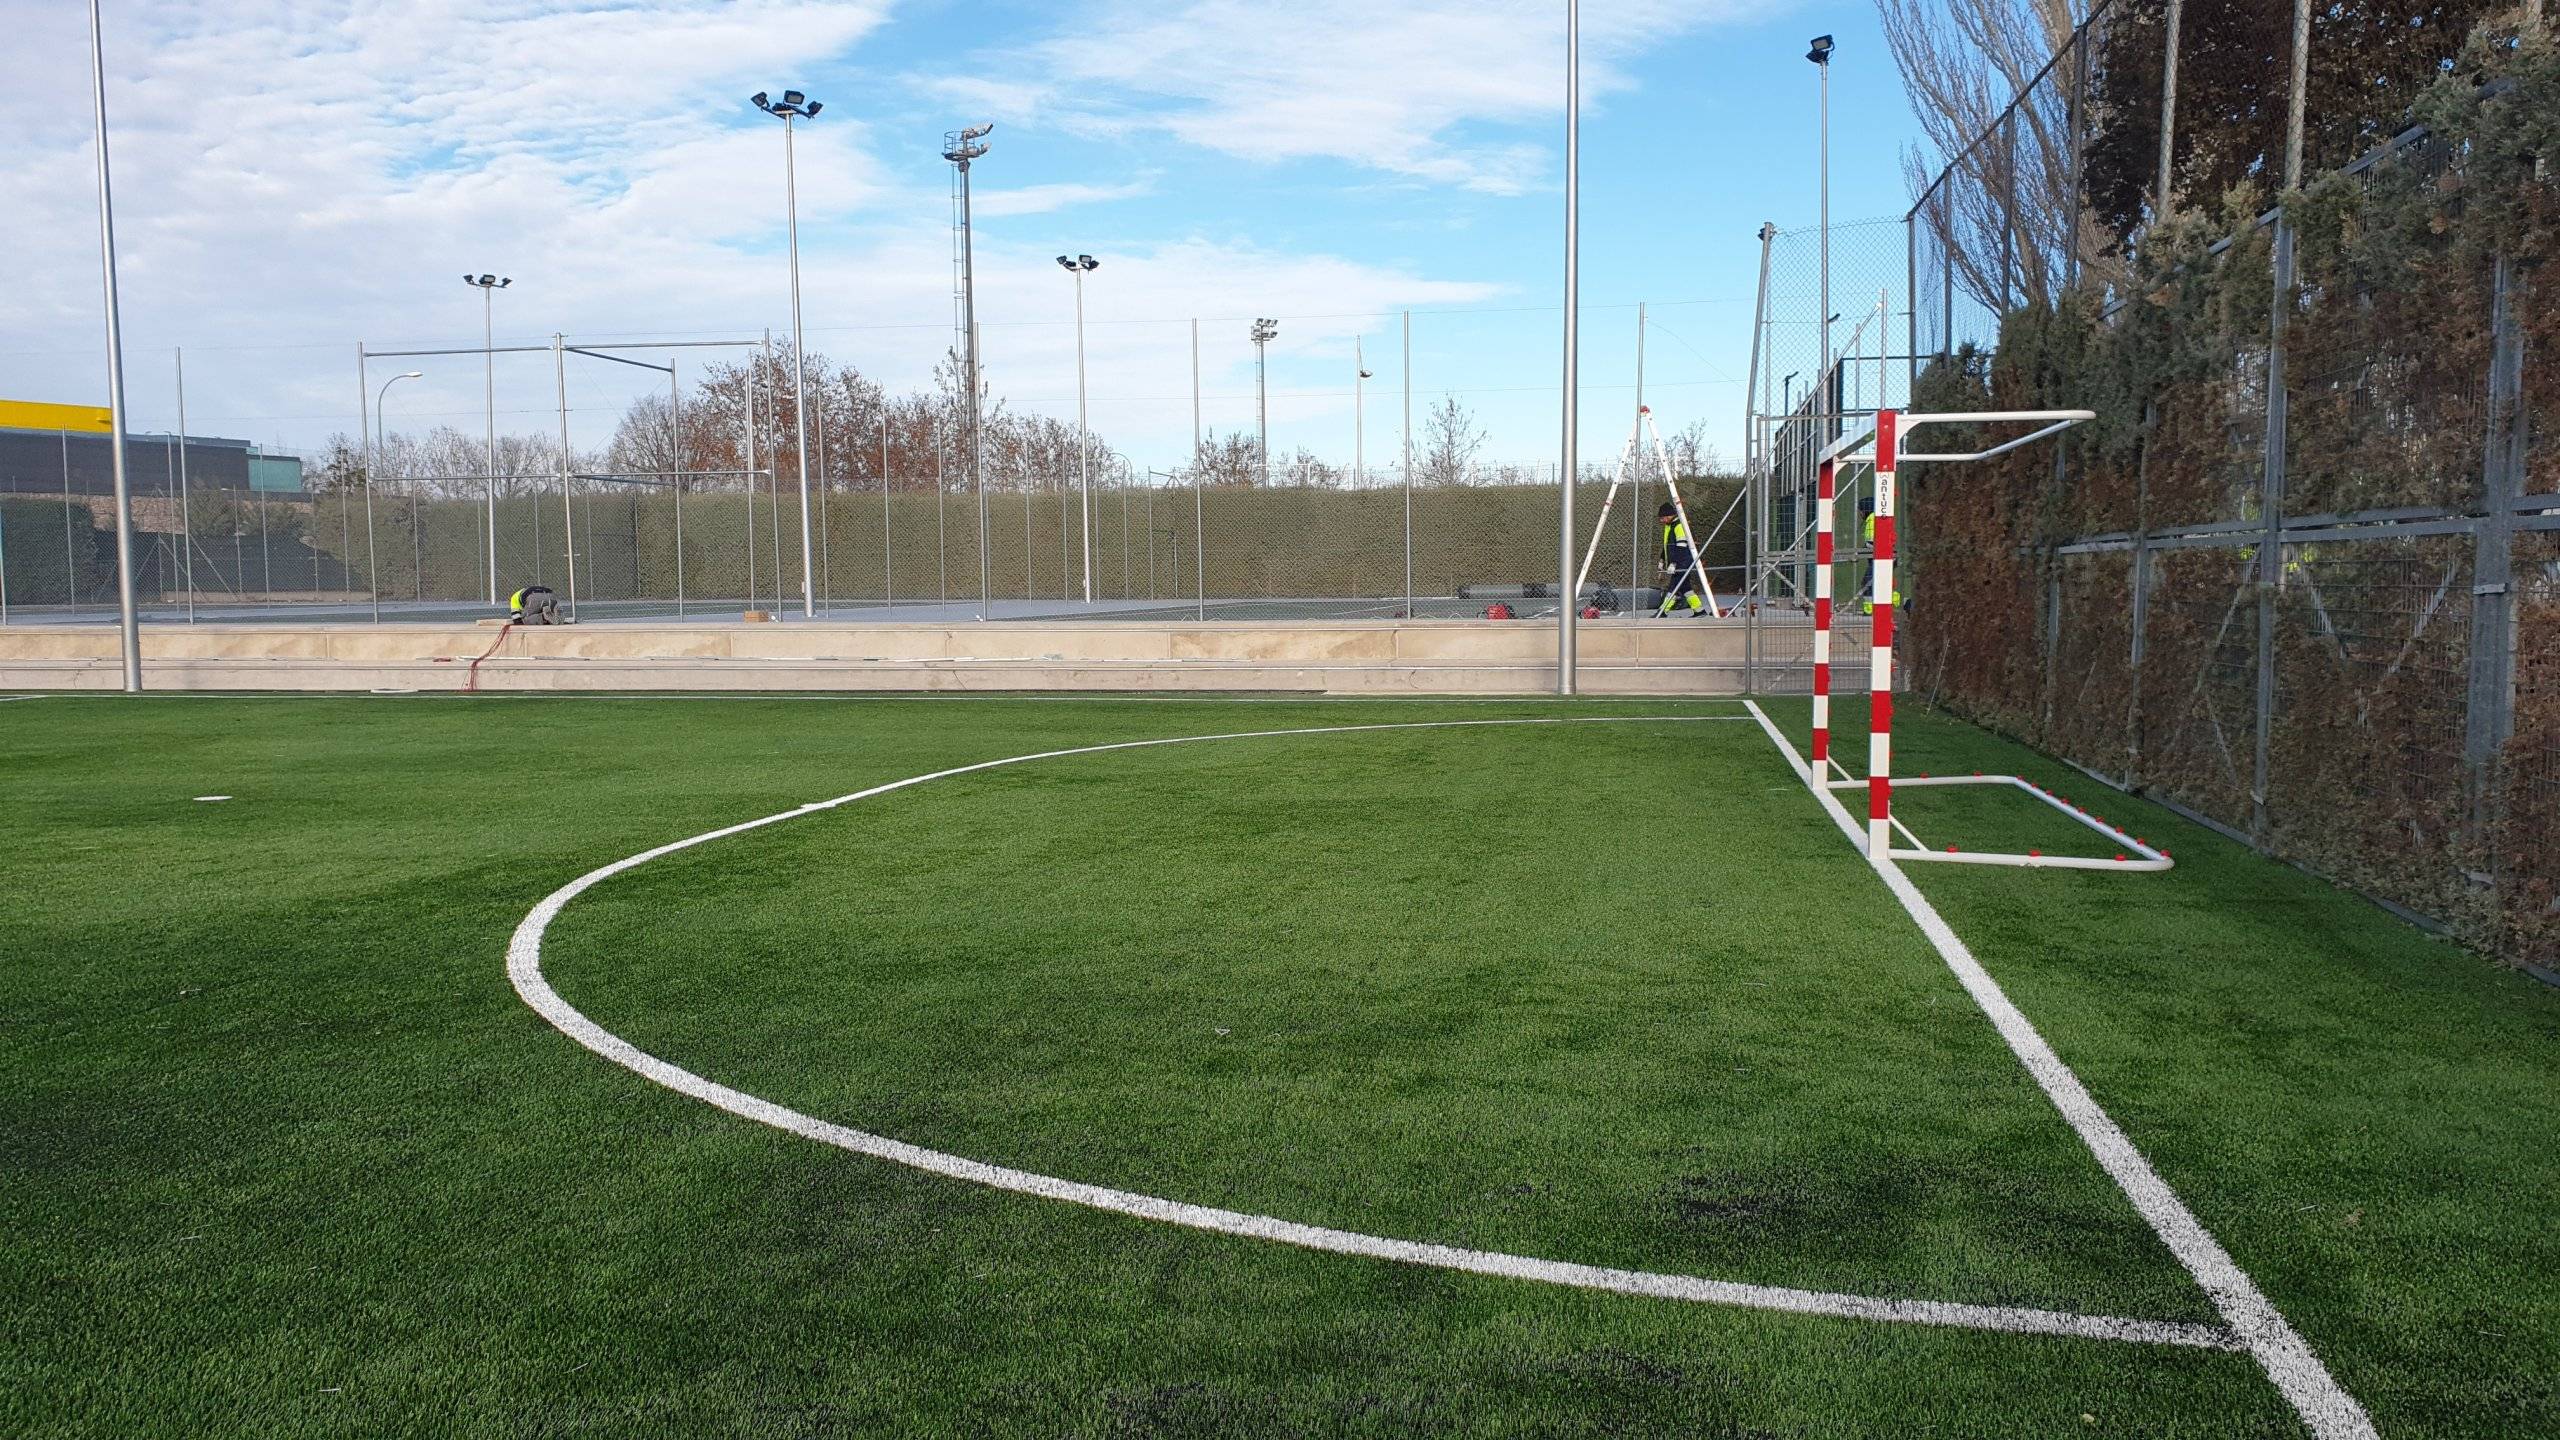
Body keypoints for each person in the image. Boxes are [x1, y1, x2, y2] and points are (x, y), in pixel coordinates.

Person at [1656, 501, 1707, 618]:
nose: (1661, 521)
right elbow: (1666, 545)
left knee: (1673, 586)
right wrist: (1662, 561)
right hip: (1680, 562)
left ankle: (1662, 611)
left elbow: (1681, 546)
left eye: (1662, 518)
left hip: (1683, 562)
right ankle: (1699, 610)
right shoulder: (1669, 526)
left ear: (1668, 515)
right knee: (1685, 587)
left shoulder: (1679, 526)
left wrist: (1674, 563)